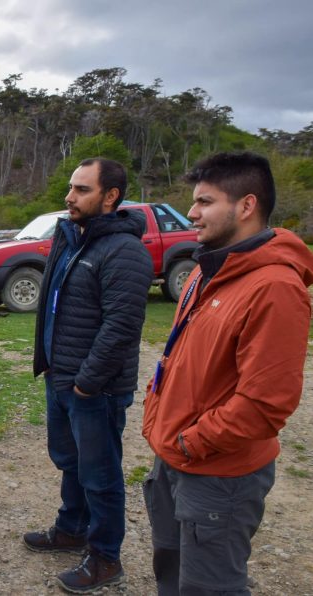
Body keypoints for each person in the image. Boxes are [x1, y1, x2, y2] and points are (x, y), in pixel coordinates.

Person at [142, 152, 313, 595]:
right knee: (172, 572)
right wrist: (159, 422)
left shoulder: (275, 286)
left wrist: (190, 441)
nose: (192, 214)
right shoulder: (207, 268)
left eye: (204, 202)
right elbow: (179, 358)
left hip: (219, 473)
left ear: (246, 206)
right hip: (172, 456)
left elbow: (266, 404)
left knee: (209, 586)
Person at [25, 157, 153, 593]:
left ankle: (105, 558)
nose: (69, 196)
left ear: (110, 196)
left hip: (93, 388)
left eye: (81, 189)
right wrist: (54, 368)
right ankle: (72, 529)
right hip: (61, 378)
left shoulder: (125, 251)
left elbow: (121, 327)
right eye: (71, 187)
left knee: (100, 475)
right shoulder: (73, 239)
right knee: (70, 462)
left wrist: (86, 381)